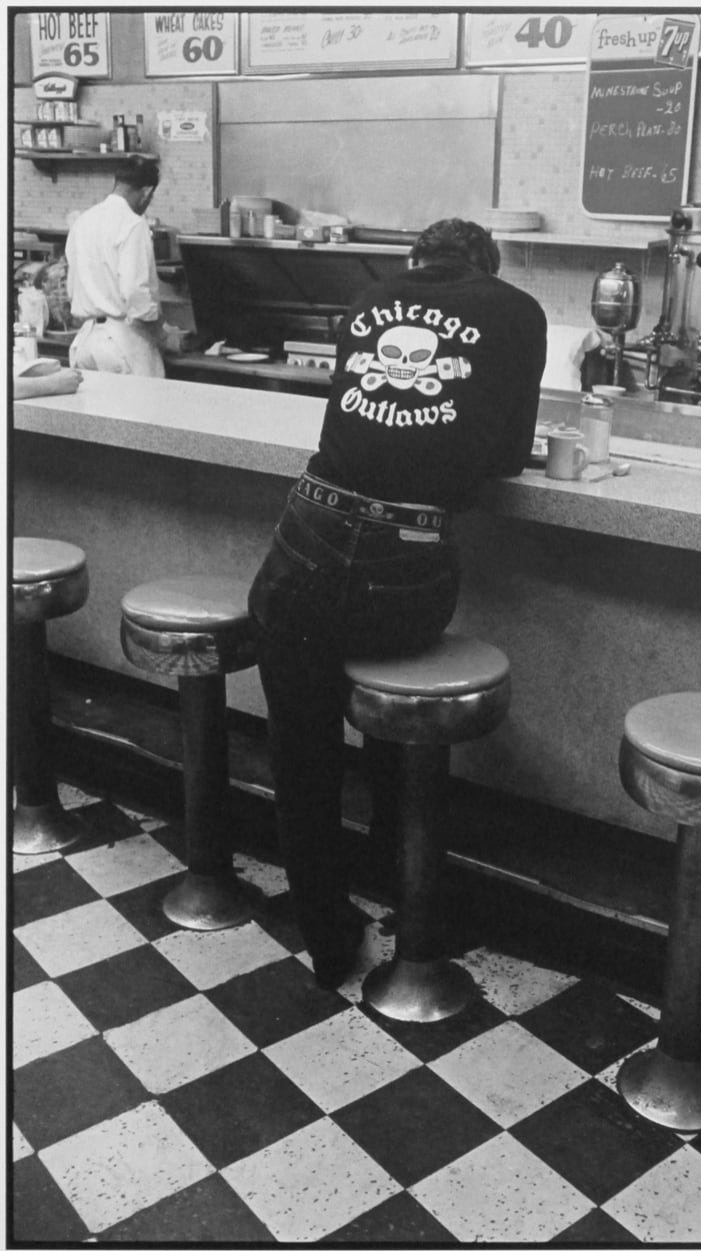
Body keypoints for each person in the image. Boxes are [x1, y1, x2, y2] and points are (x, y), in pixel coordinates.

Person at [248, 218, 547, 987]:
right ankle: (402, 883)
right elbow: (507, 455)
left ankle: (328, 935)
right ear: (488, 265)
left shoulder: (369, 299)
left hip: (307, 538)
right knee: (388, 691)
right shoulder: (518, 311)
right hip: (408, 577)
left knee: (300, 743)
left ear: (418, 262)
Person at [65, 155, 182, 377]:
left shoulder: (83, 221)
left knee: (92, 412)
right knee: (140, 411)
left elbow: (72, 288)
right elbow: (135, 295)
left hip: (86, 343)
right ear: (147, 192)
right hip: (122, 345)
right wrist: (165, 336)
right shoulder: (133, 224)